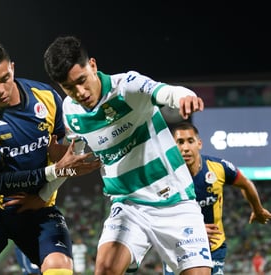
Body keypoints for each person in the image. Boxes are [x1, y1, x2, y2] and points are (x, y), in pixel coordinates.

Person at [43, 35, 213, 275]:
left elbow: (166, 91)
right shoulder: (70, 112)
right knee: (105, 269)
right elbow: (71, 160)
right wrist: (47, 187)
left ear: (92, 65)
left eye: (82, 81)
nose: (79, 92)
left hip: (175, 201)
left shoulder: (127, 87)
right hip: (128, 204)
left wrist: (184, 96)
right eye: (69, 88)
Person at [0, 40, 101, 275]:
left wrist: (65, 163)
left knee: (60, 268)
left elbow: (68, 156)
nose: (0, 89)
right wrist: (55, 170)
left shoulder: (48, 98)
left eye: (4, 79)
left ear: (12, 68)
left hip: (39, 208)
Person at [162, 121, 271, 275]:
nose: (185, 148)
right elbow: (155, 216)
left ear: (199, 144)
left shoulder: (218, 167)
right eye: (180, 142)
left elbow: (246, 184)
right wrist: (195, 231)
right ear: (172, 147)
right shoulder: (162, 176)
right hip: (178, 246)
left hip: (213, 248)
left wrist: (258, 209)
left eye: (190, 141)